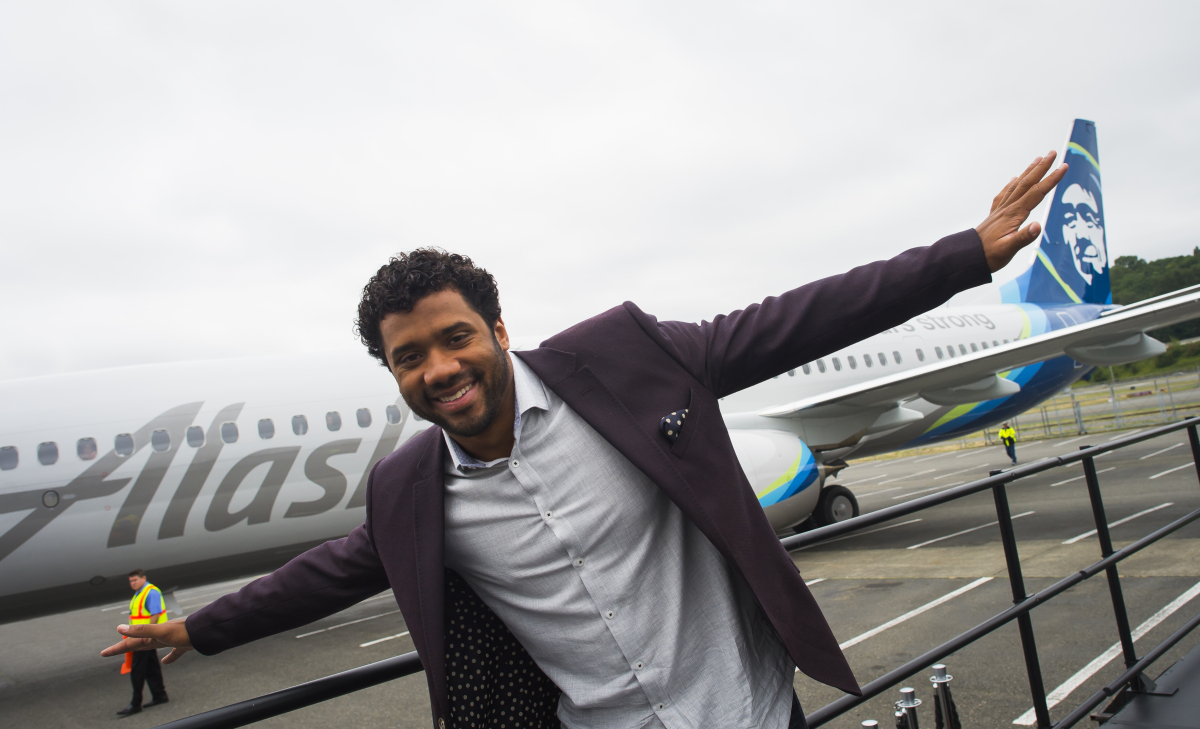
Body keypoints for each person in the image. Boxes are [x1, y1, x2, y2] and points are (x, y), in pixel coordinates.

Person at [103, 153, 1067, 729]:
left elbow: (794, 320)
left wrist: (963, 256)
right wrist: (192, 627)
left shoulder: (626, 361)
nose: (438, 367)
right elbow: (324, 574)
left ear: (497, 330)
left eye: (453, 337)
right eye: (409, 357)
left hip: (751, 711)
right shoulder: (410, 492)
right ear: (392, 374)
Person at [116, 569, 169, 716]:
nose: (133, 583)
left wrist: (147, 635)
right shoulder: (139, 593)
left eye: (135, 580)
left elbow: (155, 614)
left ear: (143, 578)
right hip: (140, 637)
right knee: (151, 666)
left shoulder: (150, 592)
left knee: (137, 669)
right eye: (131, 581)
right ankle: (160, 695)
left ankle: (135, 703)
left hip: (144, 638)